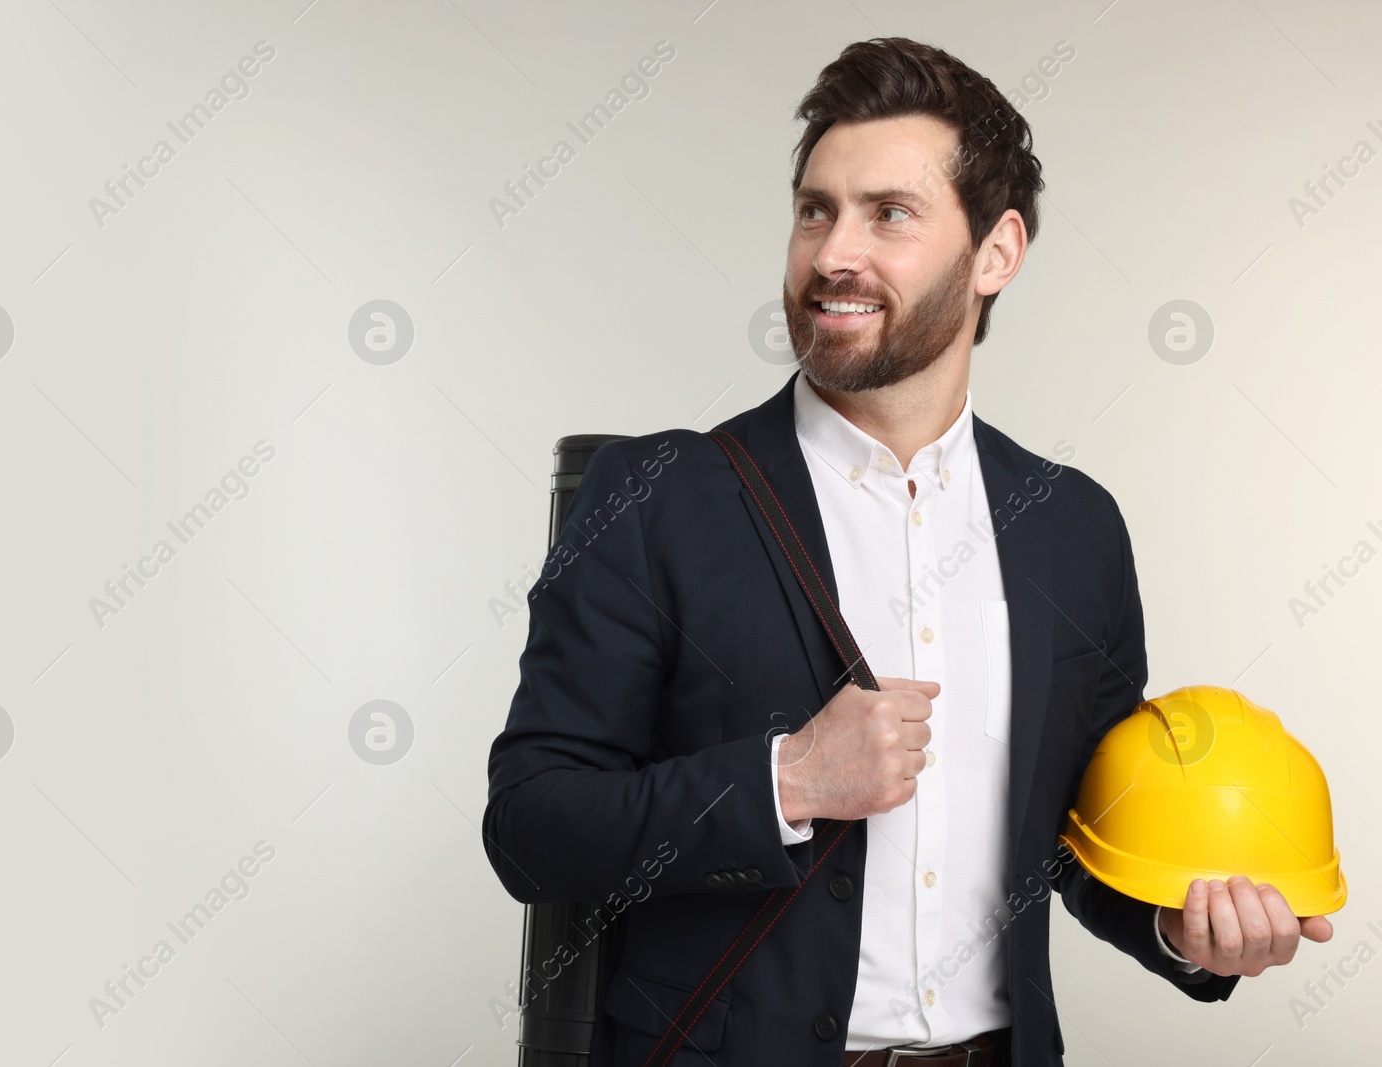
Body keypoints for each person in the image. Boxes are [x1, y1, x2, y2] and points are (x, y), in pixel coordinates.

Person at [482, 36, 1331, 1066]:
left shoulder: (1073, 529)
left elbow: (1066, 843)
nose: (833, 252)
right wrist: (785, 777)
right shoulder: (655, 500)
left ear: (996, 251)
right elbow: (534, 825)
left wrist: (1182, 928)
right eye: (814, 210)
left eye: (887, 213)